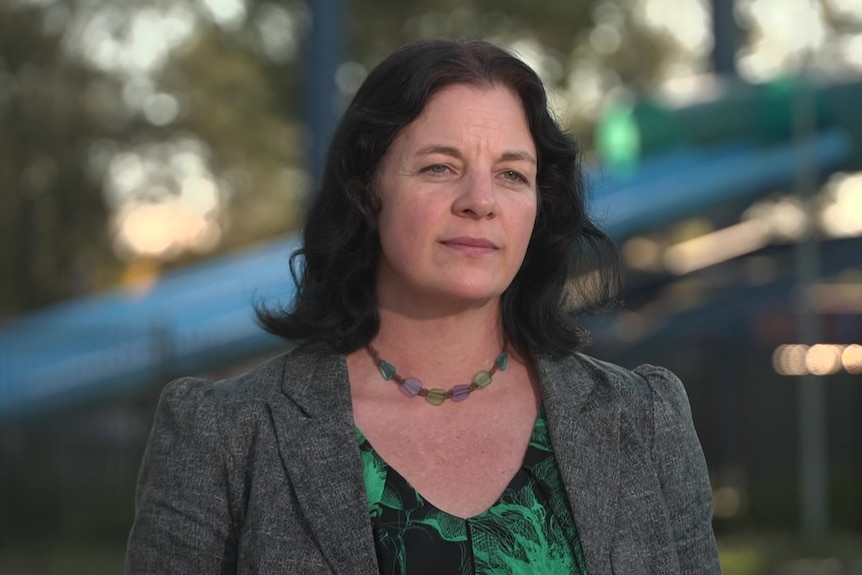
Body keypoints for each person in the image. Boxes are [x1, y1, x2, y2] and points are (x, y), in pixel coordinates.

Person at [125, 38, 720, 574]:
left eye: (512, 175)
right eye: (440, 167)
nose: (480, 201)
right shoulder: (226, 436)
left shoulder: (644, 420)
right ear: (367, 191)